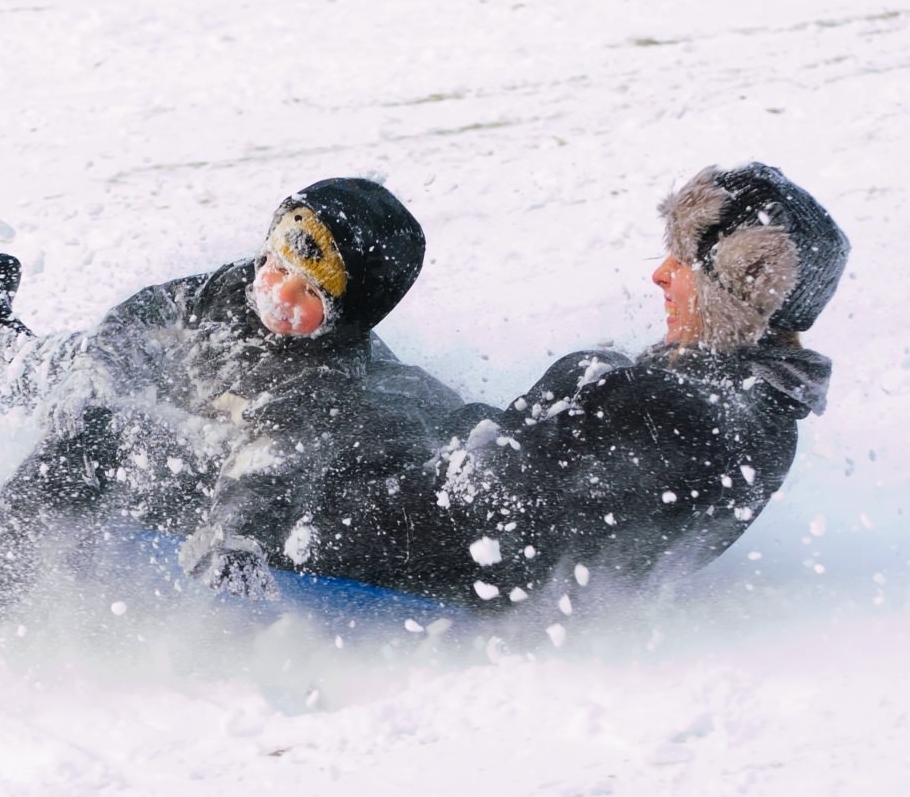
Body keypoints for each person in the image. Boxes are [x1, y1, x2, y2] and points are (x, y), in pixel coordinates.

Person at [0, 176, 461, 640]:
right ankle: (3, 345)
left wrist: (234, 527)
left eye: (309, 290)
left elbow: (275, 457)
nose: (278, 293)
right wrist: (110, 378)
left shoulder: (325, 377)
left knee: (93, 435)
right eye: (275, 265)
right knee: (77, 363)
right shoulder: (233, 287)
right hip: (179, 391)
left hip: (209, 451)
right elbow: (144, 317)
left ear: (350, 314)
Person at [230, 162, 848, 617]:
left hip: (383, 546)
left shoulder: (661, 409)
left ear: (736, 293)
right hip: (429, 488)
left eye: (684, 265)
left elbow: (465, 510)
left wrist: (283, 527)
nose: (660, 275)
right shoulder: (751, 414)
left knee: (269, 357)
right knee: (342, 361)